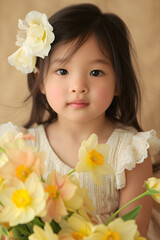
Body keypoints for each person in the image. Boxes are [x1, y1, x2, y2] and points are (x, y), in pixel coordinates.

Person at [0, 3, 160, 238]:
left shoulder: (131, 153)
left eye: (96, 72)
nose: (78, 87)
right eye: (62, 71)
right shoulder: (22, 147)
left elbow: (134, 233)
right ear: (40, 80)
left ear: (118, 83)